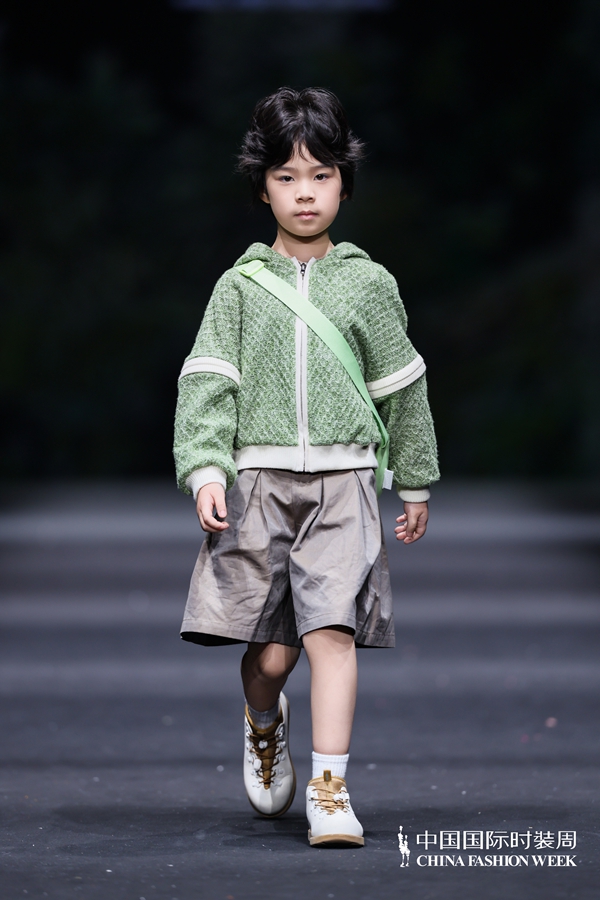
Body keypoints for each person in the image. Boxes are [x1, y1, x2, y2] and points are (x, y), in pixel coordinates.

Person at [173, 87, 439, 847]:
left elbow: (401, 386)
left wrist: (413, 479)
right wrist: (207, 469)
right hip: (257, 486)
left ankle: (331, 788)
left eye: (321, 175)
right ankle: (265, 721)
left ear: (344, 184)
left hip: (344, 483)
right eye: (287, 177)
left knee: (333, 633)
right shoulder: (238, 288)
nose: (305, 192)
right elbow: (208, 383)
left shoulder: (368, 283)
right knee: (269, 658)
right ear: (262, 187)